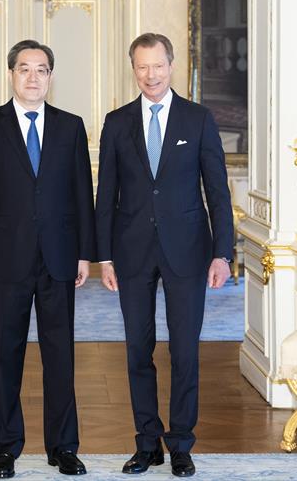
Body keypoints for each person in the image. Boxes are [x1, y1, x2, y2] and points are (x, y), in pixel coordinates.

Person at [95, 33, 234, 477]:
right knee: (138, 349)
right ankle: (146, 443)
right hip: (131, 251)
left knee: (184, 350)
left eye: (157, 65)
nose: (150, 75)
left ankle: (180, 444)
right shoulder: (117, 122)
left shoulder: (198, 119)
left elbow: (217, 191)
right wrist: (103, 257)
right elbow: (105, 194)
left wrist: (222, 253)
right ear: (133, 69)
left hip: (188, 251)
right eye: (142, 66)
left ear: (171, 65)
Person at [0, 39, 95, 479]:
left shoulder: (71, 126)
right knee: (7, 354)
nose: (33, 77)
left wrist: (85, 254)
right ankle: (4, 449)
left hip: (60, 258)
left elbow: (82, 193)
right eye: (24, 69)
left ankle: (64, 447)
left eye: (41, 69)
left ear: (51, 77)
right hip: (7, 258)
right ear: (11, 75)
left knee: (61, 356)